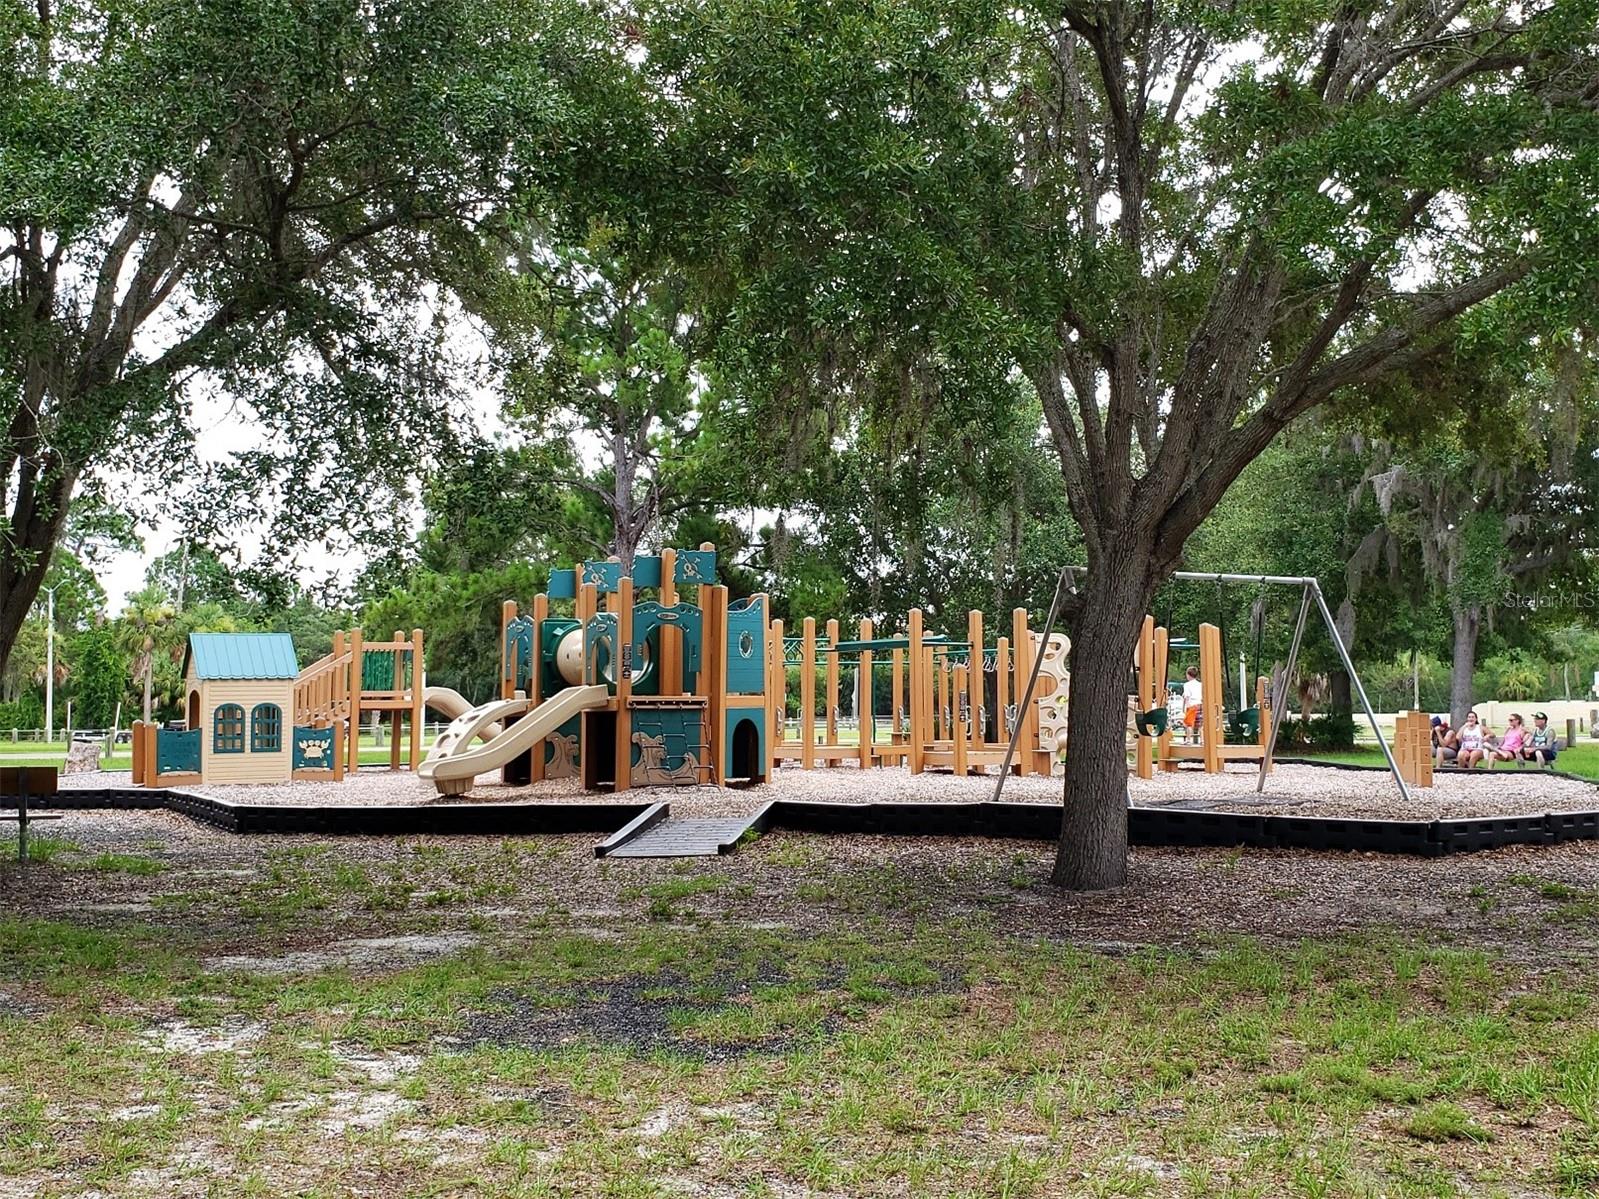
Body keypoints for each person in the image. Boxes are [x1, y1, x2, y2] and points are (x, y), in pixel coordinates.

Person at [1181, 667, 1203, 744]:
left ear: (1188, 675)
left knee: (1189, 724)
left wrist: (1186, 708)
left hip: (1191, 705)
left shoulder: (1187, 685)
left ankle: (1188, 740)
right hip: (1200, 704)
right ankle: (1202, 740)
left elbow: (1187, 696)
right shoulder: (1200, 684)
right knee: (1200, 724)